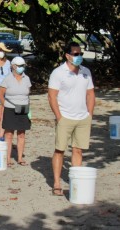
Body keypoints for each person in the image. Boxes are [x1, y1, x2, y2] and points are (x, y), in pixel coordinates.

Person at [48, 41, 95, 196]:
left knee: (78, 150)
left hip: (83, 118)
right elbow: (52, 96)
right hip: (65, 117)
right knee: (60, 150)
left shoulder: (86, 72)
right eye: (76, 54)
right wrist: (59, 117)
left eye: (80, 54)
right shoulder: (58, 72)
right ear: (67, 55)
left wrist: (89, 114)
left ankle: (75, 179)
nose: (79, 56)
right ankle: (56, 183)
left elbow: (90, 94)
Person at [0, 57, 31, 166]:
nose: (21, 68)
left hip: (22, 107)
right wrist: (6, 106)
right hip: (10, 107)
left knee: (21, 133)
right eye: (19, 66)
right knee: (9, 134)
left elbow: (28, 94)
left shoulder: (27, 78)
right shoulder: (7, 79)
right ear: (13, 66)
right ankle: (7, 159)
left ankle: (20, 158)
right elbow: (0, 95)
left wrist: (28, 109)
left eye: (22, 66)